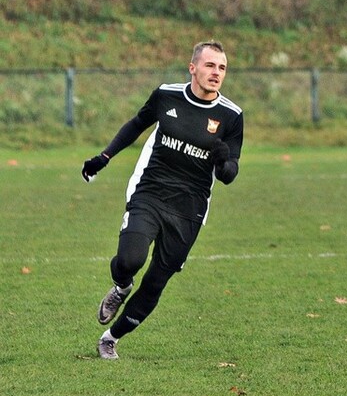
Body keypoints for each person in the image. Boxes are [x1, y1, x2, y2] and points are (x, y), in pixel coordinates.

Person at [82, 40, 244, 359]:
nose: (216, 73)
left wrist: (224, 161)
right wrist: (105, 156)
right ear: (193, 67)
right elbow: (136, 124)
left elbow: (228, 175)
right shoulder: (167, 95)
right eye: (210, 65)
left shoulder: (231, 116)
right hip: (151, 192)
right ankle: (121, 287)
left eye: (222, 68)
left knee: (156, 281)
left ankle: (110, 339)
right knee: (130, 260)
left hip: (190, 209)